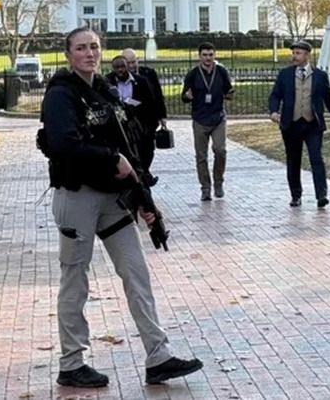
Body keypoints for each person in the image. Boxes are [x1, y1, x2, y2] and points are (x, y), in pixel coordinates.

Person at [39, 27, 202, 388]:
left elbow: (127, 145)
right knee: (75, 279)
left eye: (94, 47)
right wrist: (111, 158)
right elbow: (64, 144)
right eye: (80, 48)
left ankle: (158, 355)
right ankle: (71, 363)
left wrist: (145, 201)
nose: (89, 53)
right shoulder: (60, 95)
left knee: (136, 271)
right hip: (77, 197)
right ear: (68, 54)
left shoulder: (104, 91)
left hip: (113, 199)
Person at [267, 40, 330, 208]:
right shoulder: (285, 74)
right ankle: (296, 195)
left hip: (312, 124)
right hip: (291, 124)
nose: (294, 56)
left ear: (307, 55)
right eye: (293, 53)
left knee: (317, 158)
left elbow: (329, 100)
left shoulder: (320, 76)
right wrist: (273, 111)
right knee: (293, 160)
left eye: (298, 53)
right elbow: (275, 95)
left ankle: (321, 195)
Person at [182, 42, 234, 201]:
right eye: (205, 55)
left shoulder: (221, 71)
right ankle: (205, 187)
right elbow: (184, 96)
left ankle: (219, 181)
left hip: (218, 117)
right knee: (201, 156)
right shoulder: (193, 74)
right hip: (200, 119)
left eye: (211, 55)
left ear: (215, 55)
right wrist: (187, 96)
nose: (208, 58)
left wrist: (230, 94)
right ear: (200, 56)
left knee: (220, 150)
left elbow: (229, 91)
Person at [106, 55, 157, 180]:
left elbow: (151, 103)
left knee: (144, 151)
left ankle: (144, 173)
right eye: (117, 67)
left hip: (137, 124)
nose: (120, 70)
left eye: (122, 66)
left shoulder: (141, 81)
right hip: (118, 126)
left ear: (128, 66)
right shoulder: (107, 82)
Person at [121, 48, 168, 179]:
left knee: (148, 149)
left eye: (133, 62)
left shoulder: (148, 73)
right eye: (128, 63)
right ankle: (140, 175)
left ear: (138, 60)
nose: (131, 66)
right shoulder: (117, 77)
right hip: (130, 121)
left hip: (148, 118)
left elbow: (158, 95)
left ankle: (145, 170)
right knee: (134, 149)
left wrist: (162, 115)